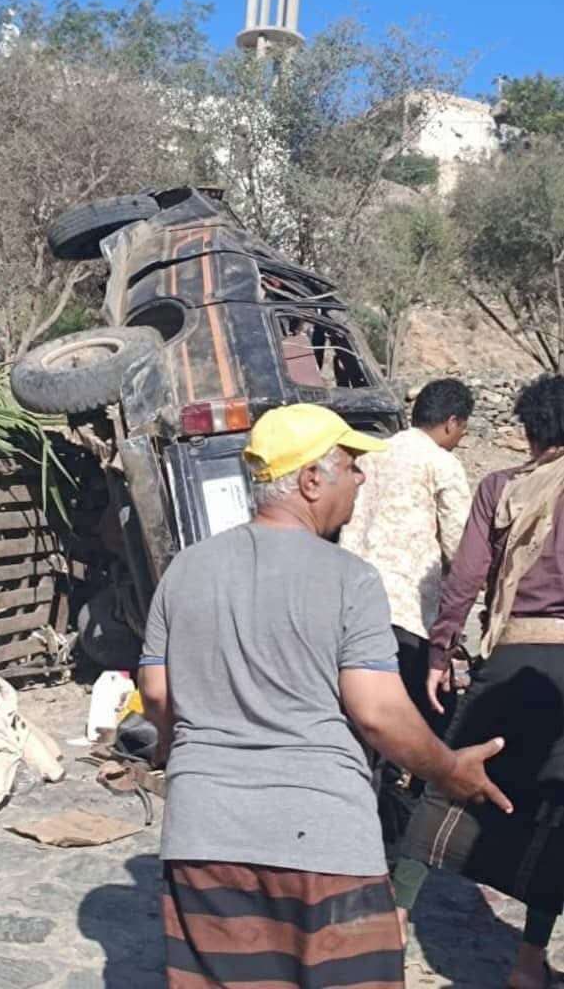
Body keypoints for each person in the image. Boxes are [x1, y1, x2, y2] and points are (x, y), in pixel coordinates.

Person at [138, 403, 512, 989]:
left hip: (203, 835)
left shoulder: (184, 571)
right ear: (311, 480)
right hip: (324, 845)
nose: (361, 478)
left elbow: (158, 697)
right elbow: (379, 712)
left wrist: (181, 751)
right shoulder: (350, 580)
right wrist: (448, 771)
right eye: (350, 465)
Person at [395, 375, 564, 989]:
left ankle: (391, 929)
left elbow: (465, 580)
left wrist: (441, 652)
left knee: (447, 785)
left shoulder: (502, 487)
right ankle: (527, 965)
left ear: (528, 430)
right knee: (554, 813)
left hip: (512, 657)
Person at [341, 378, 474, 857]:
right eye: (462, 430)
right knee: (406, 723)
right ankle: (387, 826)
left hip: (351, 607)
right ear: (453, 422)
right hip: (406, 615)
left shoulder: (370, 453)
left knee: (354, 721)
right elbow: (463, 545)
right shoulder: (442, 463)